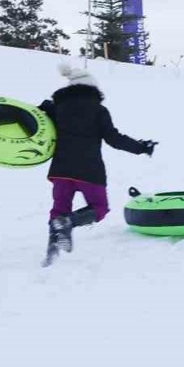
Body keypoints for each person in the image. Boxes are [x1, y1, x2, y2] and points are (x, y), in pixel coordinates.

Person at [37, 63, 156, 266]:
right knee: (100, 208)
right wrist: (141, 147)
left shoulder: (56, 108)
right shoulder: (98, 110)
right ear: (93, 89)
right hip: (89, 170)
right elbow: (113, 139)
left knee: (59, 208)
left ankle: (52, 252)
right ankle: (68, 223)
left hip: (60, 170)